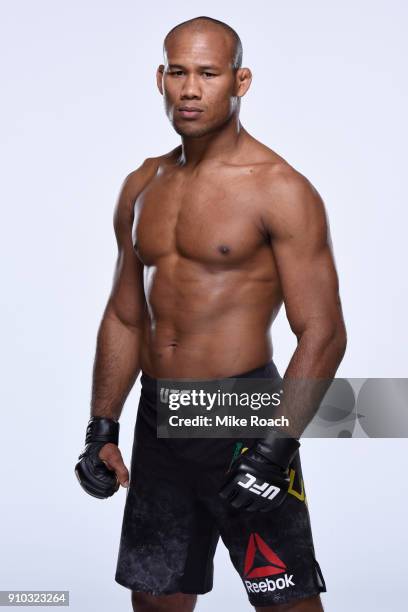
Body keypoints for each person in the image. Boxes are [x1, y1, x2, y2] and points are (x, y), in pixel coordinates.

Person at [75, 15, 347, 612]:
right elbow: (124, 316)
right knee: (155, 597)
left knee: (284, 600)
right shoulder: (142, 183)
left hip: (242, 416)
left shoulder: (280, 189)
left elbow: (323, 331)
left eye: (208, 73)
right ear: (160, 78)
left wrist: (276, 449)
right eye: (178, 72)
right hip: (159, 416)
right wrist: (103, 426)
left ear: (240, 81)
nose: (190, 89)